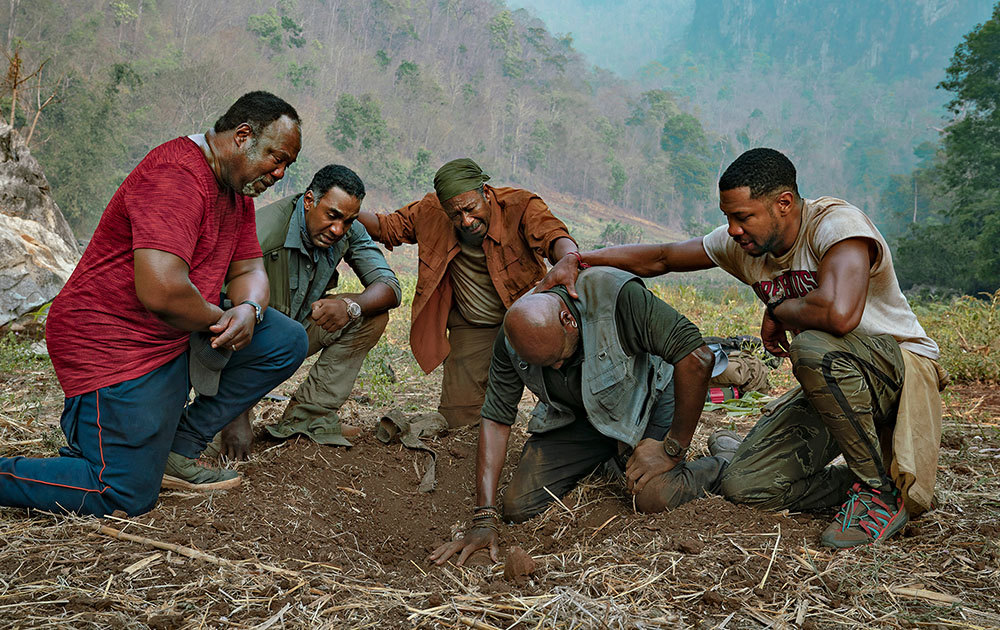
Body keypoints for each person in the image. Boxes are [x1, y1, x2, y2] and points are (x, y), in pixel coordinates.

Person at [537, 148, 946, 549]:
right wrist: (579, 259)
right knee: (746, 486)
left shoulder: (836, 226)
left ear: (783, 203)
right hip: (837, 390)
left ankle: (879, 494)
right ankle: (866, 482)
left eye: (742, 216)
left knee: (814, 349)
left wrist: (781, 310)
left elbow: (840, 315)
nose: (733, 229)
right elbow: (662, 258)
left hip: (899, 371)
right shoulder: (745, 245)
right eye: (728, 217)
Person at [0, 91, 309, 517]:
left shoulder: (237, 193)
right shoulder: (176, 175)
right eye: (276, 157)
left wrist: (250, 310)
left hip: (172, 334)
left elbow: (249, 271)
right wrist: (222, 318)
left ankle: (176, 451)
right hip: (112, 339)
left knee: (285, 339)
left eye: (287, 165)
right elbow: (161, 291)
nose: (279, 172)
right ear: (242, 136)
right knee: (122, 492)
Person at [430, 266, 740, 566]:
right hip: (582, 415)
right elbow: (497, 418)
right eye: (545, 366)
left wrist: (672, 448)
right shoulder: (514, 336)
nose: (555, 370)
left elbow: (698, 358)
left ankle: (726, 461)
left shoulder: (617, 297)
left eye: (558, 359)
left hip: (650, 398)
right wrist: (484, 516)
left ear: (568, 320)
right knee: (518, 505)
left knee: (652, 497)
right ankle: (613, 456)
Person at [358, 158, 578, 428]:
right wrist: (346, 209)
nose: (466, 220)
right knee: (458, 420)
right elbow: (385, 228)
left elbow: (552, 235)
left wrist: (568, 258)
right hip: (474, 326)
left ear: (485, 193)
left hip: (529, 320)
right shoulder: (430, 211)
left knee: (567, 404)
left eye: (471, 209)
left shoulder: (520, 206)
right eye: (456, 215)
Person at [213, 165, 401, 458]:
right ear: (310, 200)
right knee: (207, 443)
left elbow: (389, 286)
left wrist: (352, 307)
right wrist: (236, 414)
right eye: (332, 216)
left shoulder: (347, 231)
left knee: (371, 313)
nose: (339, 229)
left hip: (293, 333)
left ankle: (308, 417)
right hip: (244, 345)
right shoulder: (262, 235)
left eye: (348, 221)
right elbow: (223, 324)